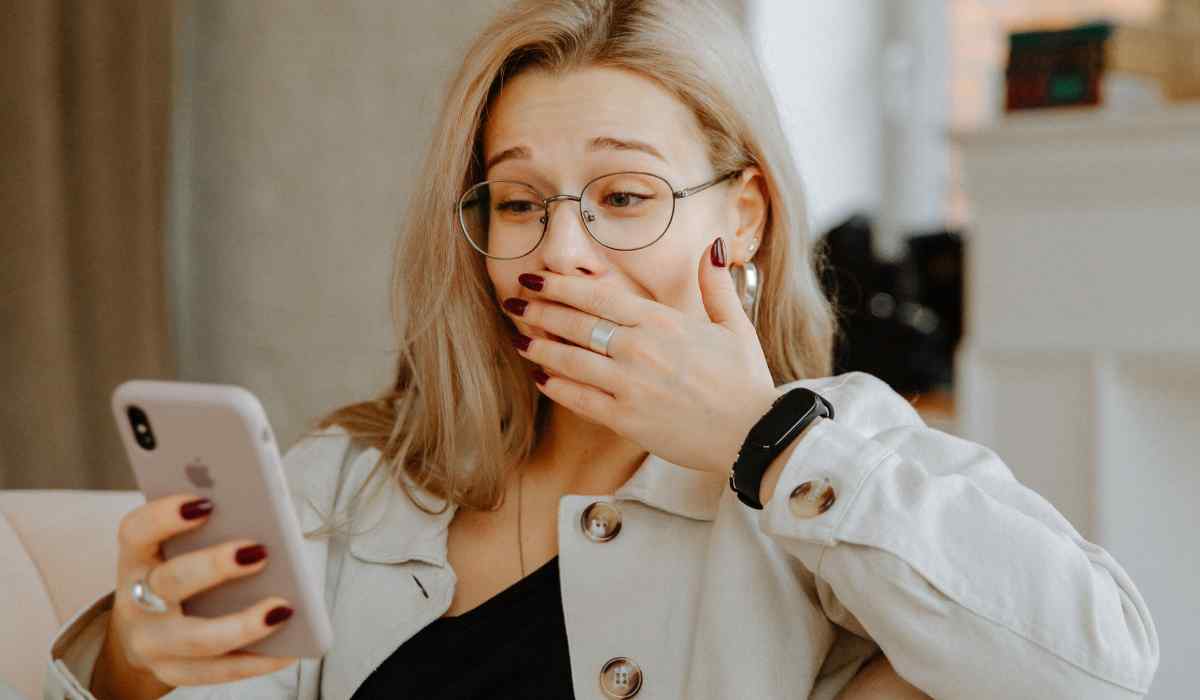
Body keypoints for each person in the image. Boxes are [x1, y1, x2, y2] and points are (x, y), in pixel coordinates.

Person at [45, 0, 1159, 698]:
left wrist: (759, 436)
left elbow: (1100, 669)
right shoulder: (348, 486)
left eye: (624, 195)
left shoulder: (832, 454)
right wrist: (133, 666)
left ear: (743, 217)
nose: (559, 251)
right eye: (519, 201)